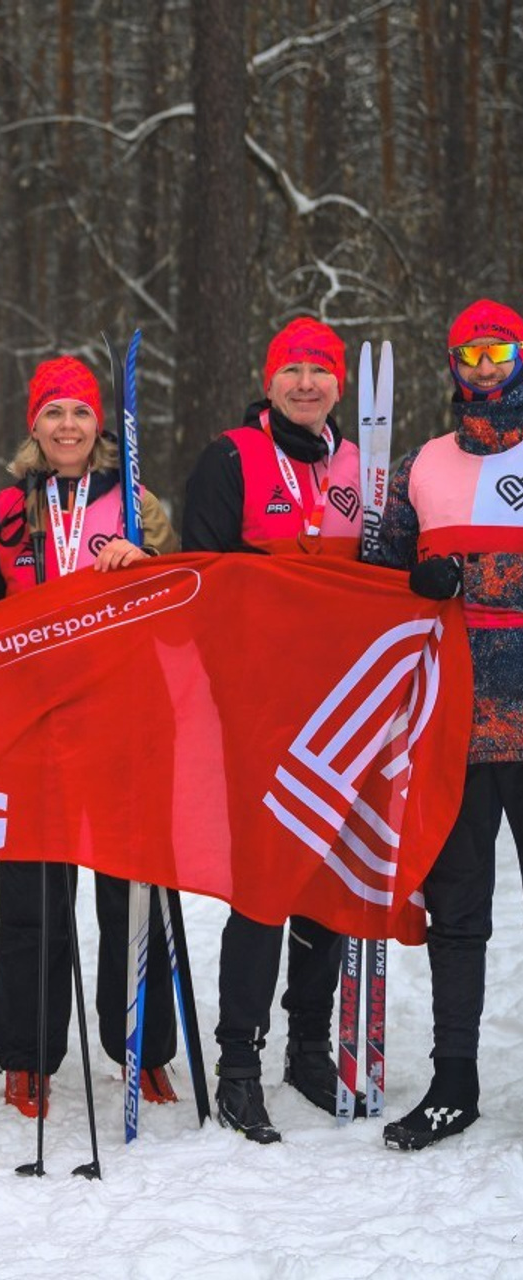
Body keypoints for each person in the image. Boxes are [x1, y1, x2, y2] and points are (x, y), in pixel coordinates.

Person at [0, 355, 180, 1117]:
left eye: (80, 413)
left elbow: (183, 611)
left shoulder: (135, 504)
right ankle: (25, 1055)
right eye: (54, 413)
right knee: (34, 899)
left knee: (132, 893)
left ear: (99, 425)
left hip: (123, 726)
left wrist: (145, 567)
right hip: (31, 731)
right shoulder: (7, 514)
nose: (68, 427)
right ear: (34, 425)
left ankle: (141, 1048)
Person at [182, 316, 362, 1143]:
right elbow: (204, 578)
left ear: (339, 385)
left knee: (323, 877)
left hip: (341, 709)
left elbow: (385, 567)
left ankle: (308, 1046)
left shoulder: (362, 465)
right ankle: (239, 1063)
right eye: (291, 370)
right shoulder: (231, 457)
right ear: (270, 379)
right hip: (256, 703)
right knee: (262, 884)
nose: (304, 384)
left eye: (318, 372)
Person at [376, 298, 523, 1150]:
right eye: (472, 353)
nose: (485, 368)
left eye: (499, 351)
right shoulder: (422, 464)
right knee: (459, 915)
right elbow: (381, 578)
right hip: (457, 727)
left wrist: (477, 576)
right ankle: (453, 1084)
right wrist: (418, 582)